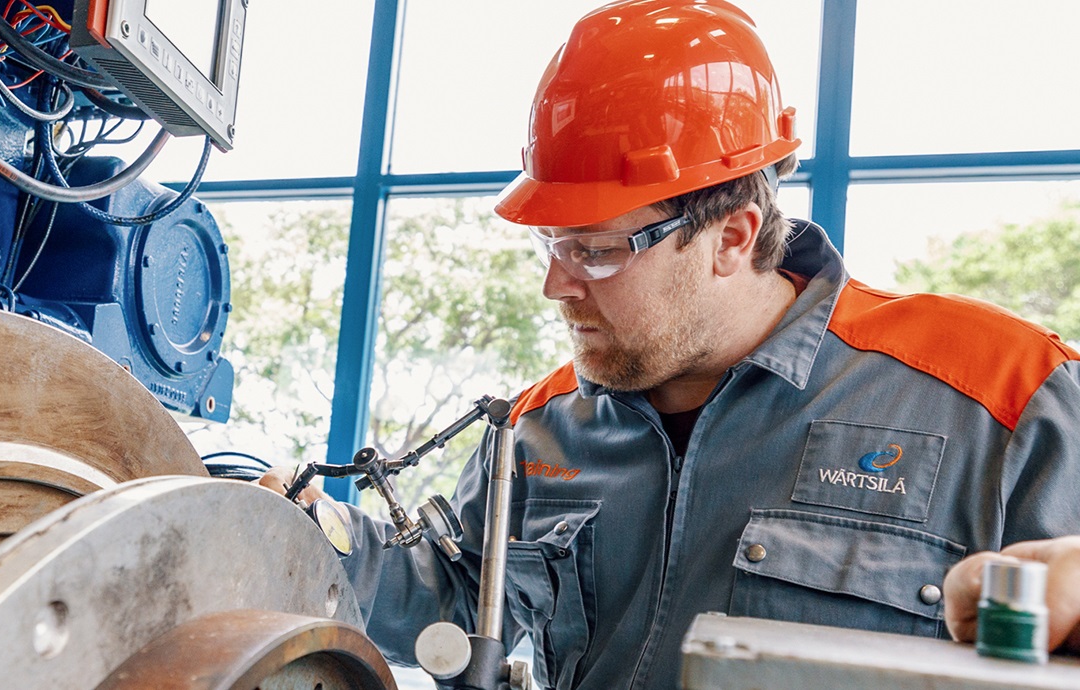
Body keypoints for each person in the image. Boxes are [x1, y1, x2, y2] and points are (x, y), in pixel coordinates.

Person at [259, 1, 1080, 688]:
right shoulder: (545, 429)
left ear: (732, 236)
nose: (557, 285)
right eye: (550, 246)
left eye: (598, 251)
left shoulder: (1003, 396)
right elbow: (457, 601)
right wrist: (302, 529)